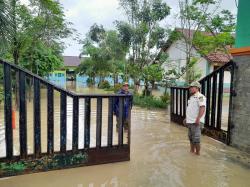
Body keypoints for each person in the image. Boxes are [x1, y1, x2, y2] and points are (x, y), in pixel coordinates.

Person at [185, 81, 206, 155]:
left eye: (191, 87)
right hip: (190, 121)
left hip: (196, 122)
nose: (189, 88)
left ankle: (197, 154)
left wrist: (198, 119)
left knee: (196, 139)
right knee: (191, 138)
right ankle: (192, 151)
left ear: (197, 88)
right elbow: (190, 109)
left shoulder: (200, 97)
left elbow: (202, 108)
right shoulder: (191, 97)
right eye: (189, 87)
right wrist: (186, 119)